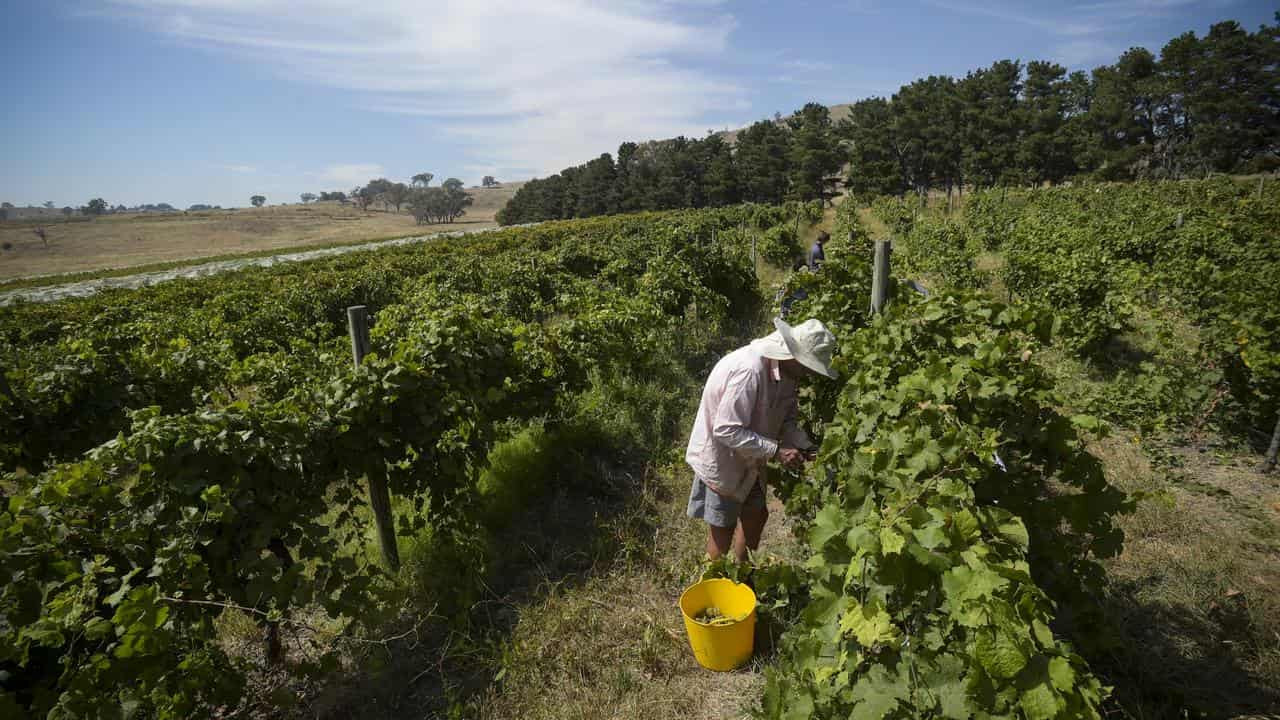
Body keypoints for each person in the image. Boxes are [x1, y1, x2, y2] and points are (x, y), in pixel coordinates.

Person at [685, 317, 838, 561]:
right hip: (724, 458)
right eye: (808, 366)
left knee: (756, 514)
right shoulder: (750, 370)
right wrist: (776, 451)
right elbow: (726, 429)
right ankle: (714, 588)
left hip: (751, 457)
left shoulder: (788, 374)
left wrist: (805, 445)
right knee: (722, 528)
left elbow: (786, 419)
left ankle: (743, 575)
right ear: (794, 356)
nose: (810, 372)